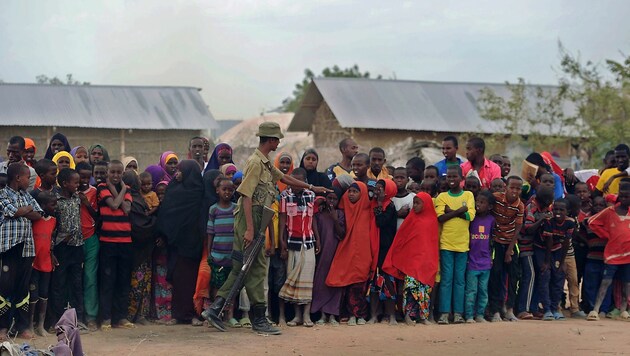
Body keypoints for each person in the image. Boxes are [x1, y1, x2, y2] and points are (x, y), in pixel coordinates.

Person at [203, 122, 329, 335]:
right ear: (270, 140)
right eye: (277, 139)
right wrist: (250, 229)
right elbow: (246, 196)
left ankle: (216, 309)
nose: (278, 142)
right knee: (256, 267)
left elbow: (283, 178)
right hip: (250, 219)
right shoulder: (254, 163)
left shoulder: (265, 161)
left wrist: (311, 187)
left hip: (257, 218)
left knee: (242, 268)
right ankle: (258, 319)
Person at [157, 160, 204, 325]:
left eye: (180, 170)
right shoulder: (173, 189)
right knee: (178, 280)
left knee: (192, 281)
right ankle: (177, 315)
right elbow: (166, 213)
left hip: (194, 244)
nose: (177, 173)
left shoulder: (199, 192)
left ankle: (191, 314)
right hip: (176, 244)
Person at [0, 163, 43, 340]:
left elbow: (38, 214)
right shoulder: (2, 195)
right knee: (5, 287)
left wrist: (21, 212)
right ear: (18, 178)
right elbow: (12, 212)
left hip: (26, 248)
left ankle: (22, 326)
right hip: (9, 247)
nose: (29, 180)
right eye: (27, 177)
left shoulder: (26, 195)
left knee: (23, 288)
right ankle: (2, 328)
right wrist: (24, 211)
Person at [383, 192, 439, 325]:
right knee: (410, 288)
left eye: (418, 203)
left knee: (424, 289)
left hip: (426, 261)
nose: (415, 206)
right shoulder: (411, 219)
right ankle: (408, 315)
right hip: (412, 261)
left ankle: (422, 316)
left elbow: (432, 242)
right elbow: (402, 239)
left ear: (426, 204)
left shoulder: (432, 220)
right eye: (414, 203)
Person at [326, 182, 374, 326]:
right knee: (345, 284)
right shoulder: (343, 208)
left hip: (364, 252)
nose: (351, 194)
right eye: (350, 191)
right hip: (346, 251)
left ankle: (360, 314)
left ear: (363, 193)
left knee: (359, 285)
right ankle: (348, 314)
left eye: (355, 191)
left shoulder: (368, 210)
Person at [435, 165, 476, 324]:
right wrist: (459, 210)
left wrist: (451, 211)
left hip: (462, 245)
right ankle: (445, 313)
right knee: (446, 280)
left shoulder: (468, 195)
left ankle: (458, 313)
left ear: (461, 178)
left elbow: (470, 216)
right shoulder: (442, 197)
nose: (451, 180)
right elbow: (440, 218)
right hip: (446, 244)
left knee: (459, 280)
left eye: (454, 177)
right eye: (448, 177)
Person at [278, 168, 318, 327]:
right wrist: (282, 242)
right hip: (291, 243)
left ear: (304, 182)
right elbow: (282, 220)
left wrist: (318, 240)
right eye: (291, 181)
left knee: (307, 280)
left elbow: (313, 219)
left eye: (298, 182)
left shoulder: (311, 195)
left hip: (308, 242)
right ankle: (297, 316)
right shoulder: (284, 197)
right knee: (293, 279)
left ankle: (307, 315)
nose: (294, 185)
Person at [98, 160, 134, 330]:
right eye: (112, 172)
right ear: (107, 173)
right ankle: (106, 318)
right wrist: (121, 190)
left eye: (119, 173)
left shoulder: (128, 189)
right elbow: (113, 205)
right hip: (108, 242)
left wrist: (120, 190)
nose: (115, 175)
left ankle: (121, 317)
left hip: (125, 242)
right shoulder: (101, 188)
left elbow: (126, 209)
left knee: (123, 281)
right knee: (107, 280)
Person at [586, 181, 630, 321]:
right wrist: (607, 235)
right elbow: (592, 222)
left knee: (627, 283)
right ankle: (595, 309)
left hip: (628, 255)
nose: (625, 198)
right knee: (606, 282)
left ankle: (624, 310)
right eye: (622, 195)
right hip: (612, 255)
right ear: (619, 195)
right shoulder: (609, 211)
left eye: (628, 196)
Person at [50, 168, 85, 329]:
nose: (79, 185)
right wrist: (54, 245)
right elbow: (53, 226)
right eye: (75, 182)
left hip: (77, 246)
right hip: (62, 248)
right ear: (65, 183)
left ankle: (79, 319)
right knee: (60, 283)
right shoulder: (55, 201)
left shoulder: (77, 198)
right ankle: (58, 320)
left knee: (77, 283)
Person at [489, 176, 524, 322]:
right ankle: (495, 310)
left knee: (513, 277)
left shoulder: (519, 206)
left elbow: (518, 228)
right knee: (495, 276)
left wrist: (510, 250)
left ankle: (509, 309)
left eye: (518, 188)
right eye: (512, 187)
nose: (514, 191)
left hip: (510, 243)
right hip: (496, 242)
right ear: (505, 187)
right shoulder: (496, 198)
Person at [123, 171, 157, 326]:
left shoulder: (137, 199)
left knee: (144, 282)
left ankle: (140, 315)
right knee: (137, 282)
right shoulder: (133, 201)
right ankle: (132, 314)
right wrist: (155, 221)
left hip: (142, 249)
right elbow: (140, 225)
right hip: (137, 248)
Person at [517, 186, 554, 320]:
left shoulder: (543, 208)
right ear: (545, 200)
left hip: (535, 246)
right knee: (530, 275)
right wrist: (542, 220)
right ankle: (522, 309)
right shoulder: (532, 207)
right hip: (524, 245)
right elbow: (528, 229)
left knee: (538, 275)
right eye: (549, 200)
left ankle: (533, 307)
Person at [535, 199, 574, 321]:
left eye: (561, 210)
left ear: (567, 212)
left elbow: (566, 242)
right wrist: (546, 262)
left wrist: (561, 263)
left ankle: (555, 308)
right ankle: (547, 309)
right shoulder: (548, 221)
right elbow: (548, 241)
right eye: (555, 209)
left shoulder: (570, 223)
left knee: (558, 276)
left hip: (558, 250)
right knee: (545, 275)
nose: (558, 212)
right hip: (542, 249)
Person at [207, 178, 238, 326]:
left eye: (230, 190)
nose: (227, 192)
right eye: (224, 189)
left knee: (231, 286)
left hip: (231, 255)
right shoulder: (213, 209)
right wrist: (209, 253)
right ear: (217, 191)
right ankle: (216, 314)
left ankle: (229, 315)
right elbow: (210, 232)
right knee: (217, 286)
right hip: (217, 255)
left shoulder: (236, 208)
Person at [312, 189, 345, 326]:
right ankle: (322, 314)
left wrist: (335, 220)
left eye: (334, 199)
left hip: (336, 253)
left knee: (335, 282)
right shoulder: (319, 214)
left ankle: (332, 314)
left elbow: (342, 234)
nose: (331, 202)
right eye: (329, 198)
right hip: (322, 253)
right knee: (320, 281)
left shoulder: (340, 214)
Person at [367, 179, 398, 325]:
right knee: (374, 284)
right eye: (377, 188)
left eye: (381, 189)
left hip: (386, 250)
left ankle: (391, 315)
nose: (377, 191)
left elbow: (381, 222)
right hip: (375, 250)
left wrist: (379, 204)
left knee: (388, 283)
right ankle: (374, 315)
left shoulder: (390, 206)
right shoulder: (372, 204)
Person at [464, 191, 495, 323]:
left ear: (489, 207)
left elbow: (492, 241)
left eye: (482, 202)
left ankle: (480, 314)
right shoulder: (471, 219)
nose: (478, 205)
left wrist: (491, 258)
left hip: (486, 262)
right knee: (471, 291)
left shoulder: (491, 220)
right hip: (472, 262)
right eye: (477, 201)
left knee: (483, 291)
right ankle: (469, 315)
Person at [29, 191, 57, 337]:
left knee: (44, 294)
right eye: (53, 204)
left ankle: (41, 325)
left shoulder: (53, 221)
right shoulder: (33, 220)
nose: (55, 207)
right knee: (33, 294)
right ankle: (30, 325)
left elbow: (51, 241)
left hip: (46, 262)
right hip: (34, 263)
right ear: (43, 205)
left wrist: (52, 255)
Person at [76, 161, 99, 331]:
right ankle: (75, 315)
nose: (84, 180)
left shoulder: (94, 192)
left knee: (90, 277)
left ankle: (91, 316)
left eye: (87, 176)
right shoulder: (70, 192)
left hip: (90, 238)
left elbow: (98, 216)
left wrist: (86, 202)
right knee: (75, 278)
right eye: (81, 177)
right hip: (73, 240)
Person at [580, 196, 611, 315]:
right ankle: (592, 308)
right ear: (591, 205)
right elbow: (578, 234)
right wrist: (588, 242)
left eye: (601, 205)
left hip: (607, 259)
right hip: (592, 258)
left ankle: (603, 309)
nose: (598, 207)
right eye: (596, 205)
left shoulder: (610, 221)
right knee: (590, 284)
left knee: (606, 285)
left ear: (606, 207)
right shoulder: (587, 221)